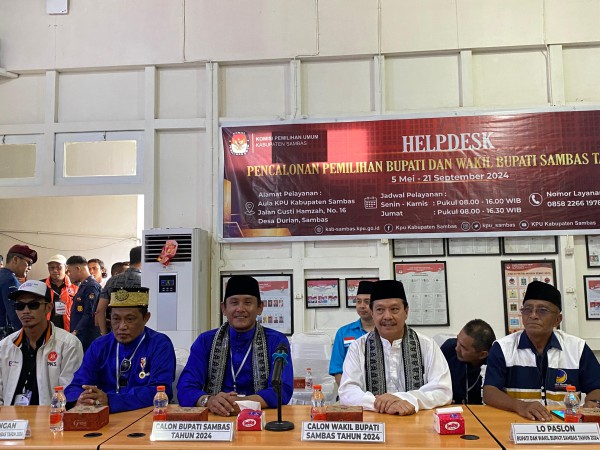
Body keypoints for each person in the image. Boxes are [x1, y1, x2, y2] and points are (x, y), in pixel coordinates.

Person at [177, 275, 293, 416]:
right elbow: (185, 388)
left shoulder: (276, 341)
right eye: (234, 303)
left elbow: (282, 390)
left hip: (262, 418)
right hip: (215, 419)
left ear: (260, 308)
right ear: (224, 308)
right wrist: (208, 400)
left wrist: (244, 404)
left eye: (248, 302)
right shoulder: (206, 341)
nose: (240, 308)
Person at [484, 281, 600, 421]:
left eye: (542, 310)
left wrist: (593, 403)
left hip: (565, 424)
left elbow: (596, 387)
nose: (533, 315)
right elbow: (489, 392)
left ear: (557, 319)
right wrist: (520, 406)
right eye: (527, 309)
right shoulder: (503, 347)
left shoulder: (577, 348)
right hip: (517, 422)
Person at [339, 280, 452, 415]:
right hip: (374, 423)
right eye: (380, 310)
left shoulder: (427, 345)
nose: (387, 316)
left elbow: (443, 391)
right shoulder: (358, 347)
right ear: (372, 313)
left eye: (394, 309)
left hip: (417, 422)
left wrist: (405, 399)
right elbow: (347, 392)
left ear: (406, 311)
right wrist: (381, 404)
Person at [65, 287, 176, 413]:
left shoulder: (159, 344)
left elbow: (160, 390)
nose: (122, 326)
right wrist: (80, 399)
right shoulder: (100, 345)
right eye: (116, 319)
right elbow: (78, 384)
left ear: (146, 318)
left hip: (145, 416)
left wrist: (110, 400)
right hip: (103, 416)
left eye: (130, 319)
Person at [0, 280, 83, 405]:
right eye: (20, 306)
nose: (25, 311)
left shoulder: (68, 345)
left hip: (50, 415)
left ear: (48, 308)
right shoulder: (4, 346)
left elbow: (69, 393)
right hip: (11, 416)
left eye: (33, 305)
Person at [329, 280, 375, 385]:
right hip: (352, 391)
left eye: (367, 302)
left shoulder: (384, 332)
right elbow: (337, 370)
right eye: (358, 301)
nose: (362, 306)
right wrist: (349, 392)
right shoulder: (343, 333)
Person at [441, 319, 496, 405]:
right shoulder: (449, 349)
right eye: (457, 340)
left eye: (463, 348)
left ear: (482, 355)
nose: (457, 348)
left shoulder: (495, 363)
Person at [96, 246, 142, 336]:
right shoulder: (146, 280)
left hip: (116, 333)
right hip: (139, 333)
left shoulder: (112, 281)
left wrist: (104, 334)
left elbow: (100, 310)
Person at [0, 245, 37, 338]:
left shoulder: (2, 276)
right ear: (15, 259)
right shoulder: (10, 280)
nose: (30, 268)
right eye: (28, 263)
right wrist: (28, 335)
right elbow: (16, 313)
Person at [66, 255, 100, 351]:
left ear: (78, 268)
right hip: (80, 335)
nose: (69, 275)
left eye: (70, 271)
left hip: (86, 336)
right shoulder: (83, 285)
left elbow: (89, 313)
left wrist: (76, 331)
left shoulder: (91, 286)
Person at [42, 254, 77, 331]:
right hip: (45, 330)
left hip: (68, 331)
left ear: (66, 268)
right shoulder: (41, 286)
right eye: (52, 268)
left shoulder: (76, 287)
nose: (55, 270)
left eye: (59, 267)